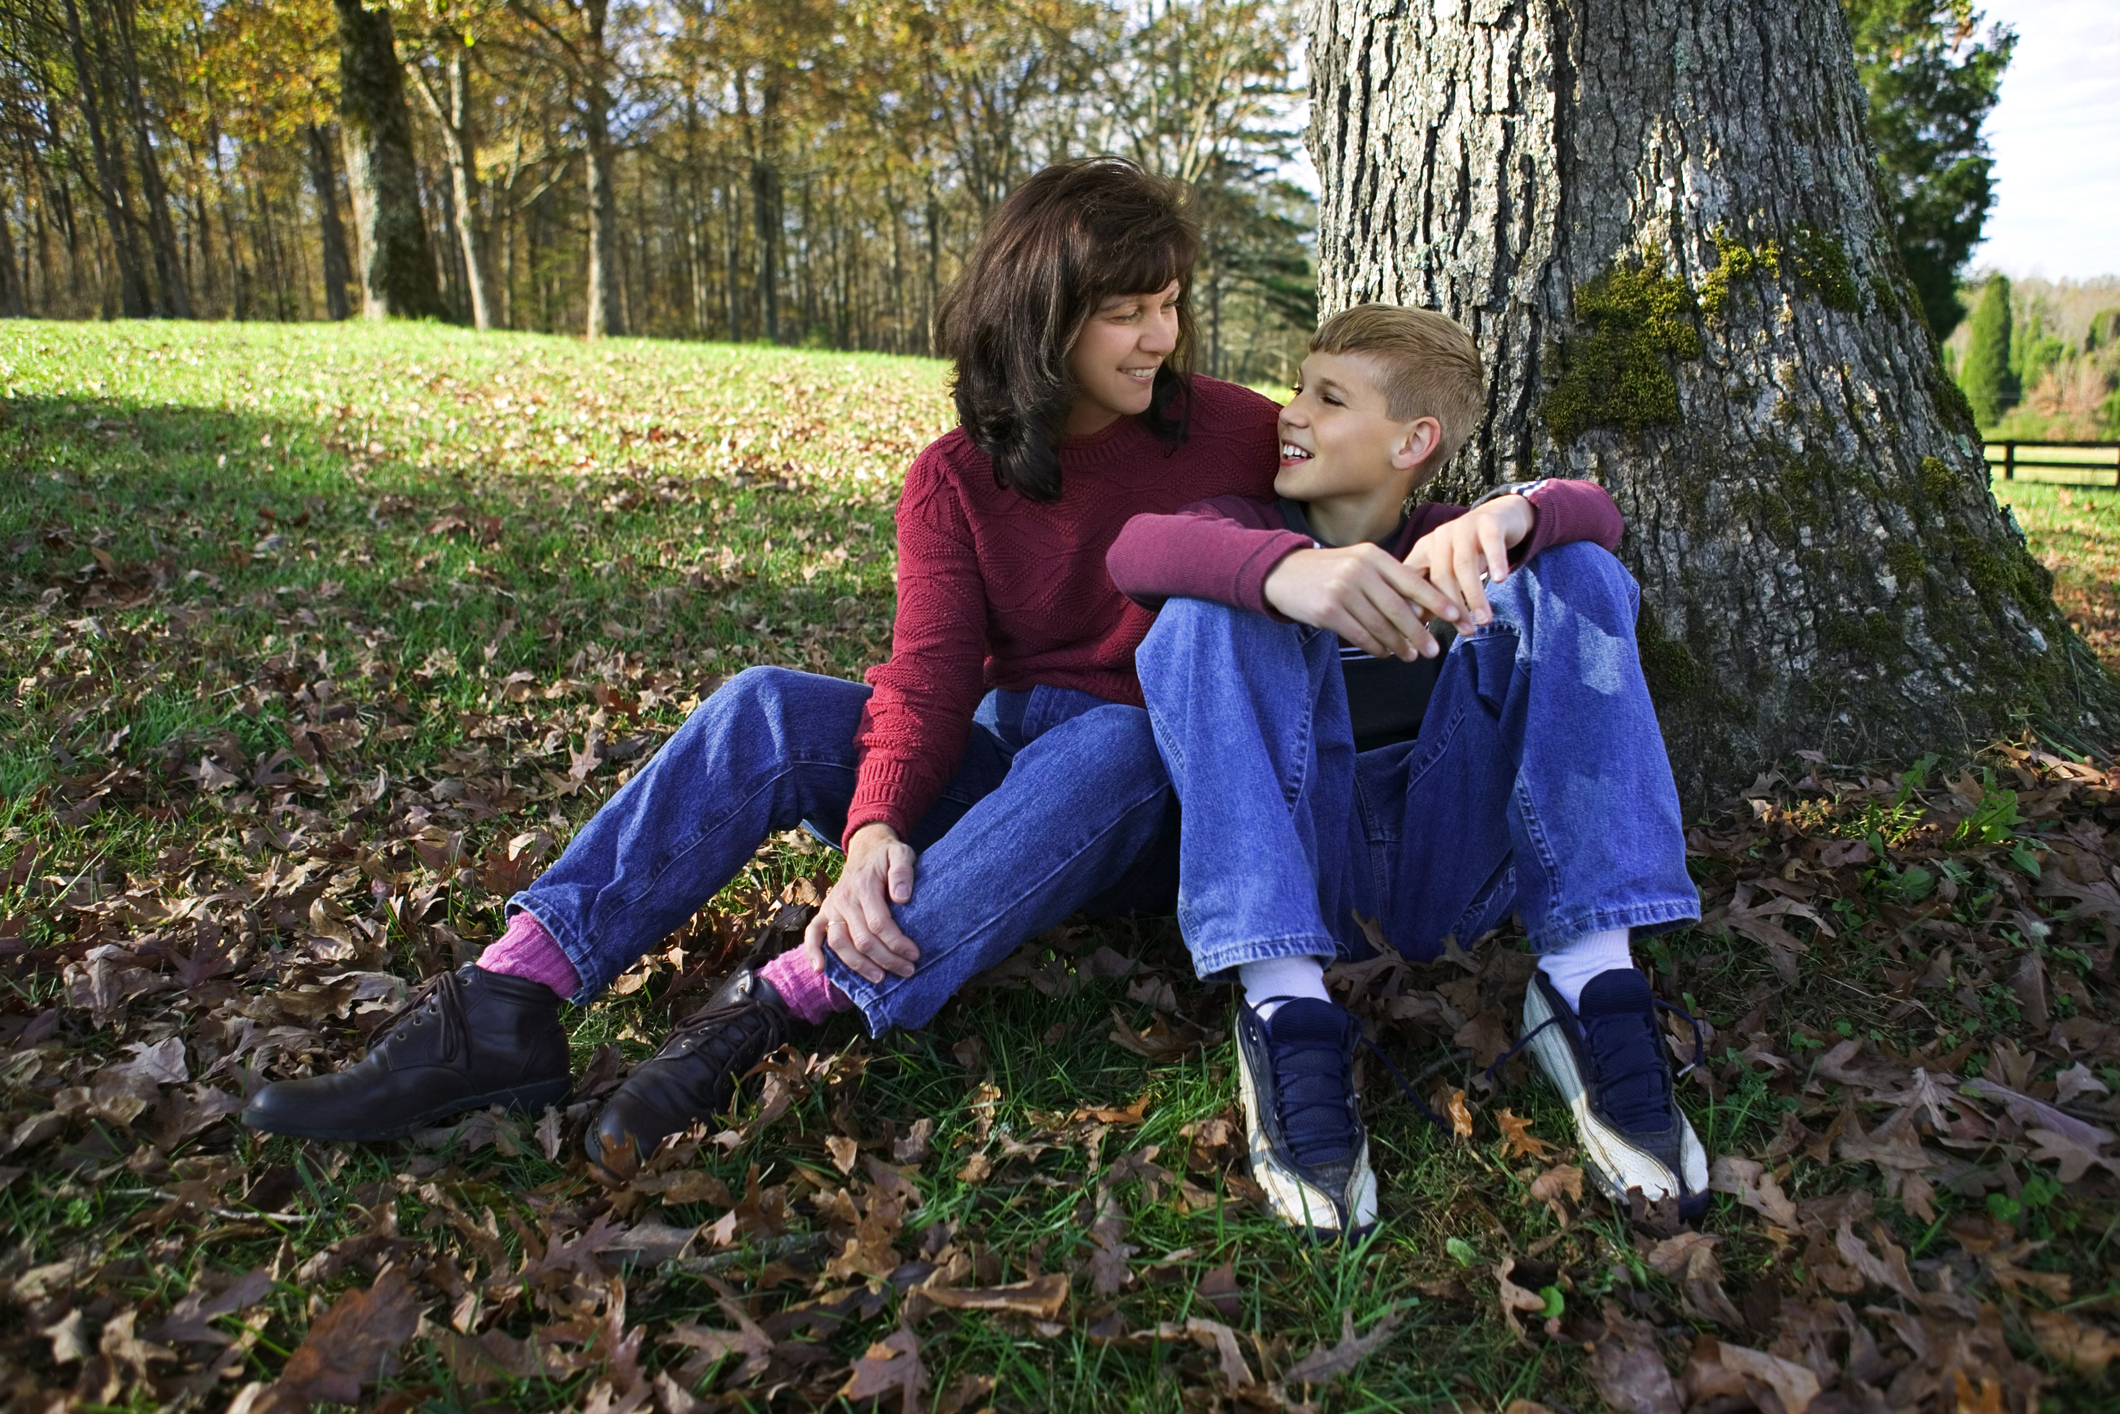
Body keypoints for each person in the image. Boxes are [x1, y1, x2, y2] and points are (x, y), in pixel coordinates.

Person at [240, 157, 1294, 1168]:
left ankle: (783, 999)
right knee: (765, 706)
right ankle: (506, 1003)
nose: (1159, 335)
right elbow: (924, 675)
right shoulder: (957, 477)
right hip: (1005, 772)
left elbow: (1367, 495)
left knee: (1118, 736)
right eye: (1126, 311)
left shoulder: (1232, 430)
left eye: (1169, 302)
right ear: (1042, 312)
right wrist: (875, 822)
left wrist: (1450, 532)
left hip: (1154, 803)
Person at [1105, 304, 1706, 1237]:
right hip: (1306, 865)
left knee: (1579, 573)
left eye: (1329, 398)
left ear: (1414, 440)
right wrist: (1284, 574)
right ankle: (1283, 1008)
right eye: (1298, 387)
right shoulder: (1242, 522)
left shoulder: (1455, 540)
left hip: (1448, 858)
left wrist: (1516, 513)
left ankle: (1592, 976)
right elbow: (1136, 549)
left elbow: (1597, 514)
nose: (1290, 412)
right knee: (1202, 613)